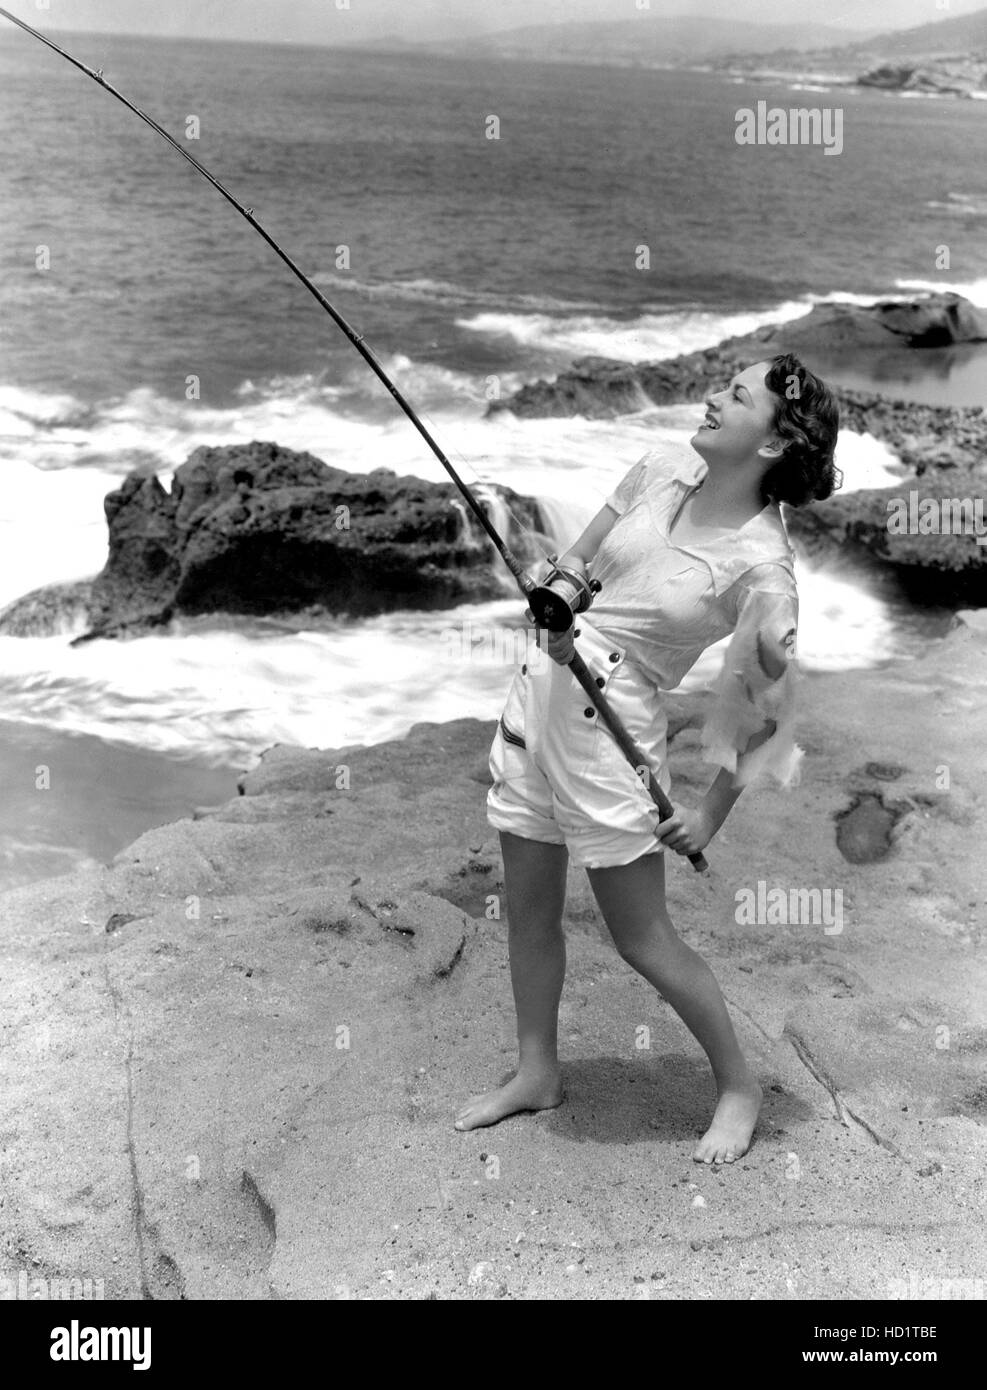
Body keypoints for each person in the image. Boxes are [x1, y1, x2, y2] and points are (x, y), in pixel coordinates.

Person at [454, 353, 841, 1164]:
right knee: (528, 910)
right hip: (537, 694)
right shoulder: (659, 467)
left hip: (612, 732)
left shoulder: (760, 569)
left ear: (772, 442)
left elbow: (764, 708)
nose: (710, 397)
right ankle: (536, 1071)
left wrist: (707, 814)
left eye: (735, 395)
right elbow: (578, 559)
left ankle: (737, 1087)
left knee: (641, 938)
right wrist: (554, 595)